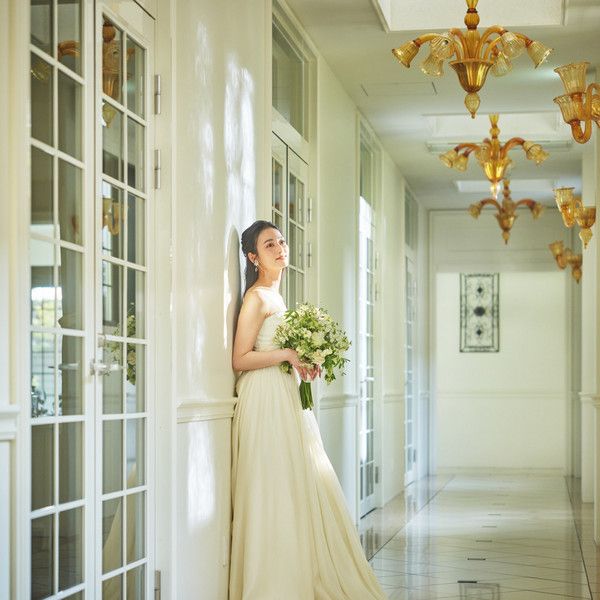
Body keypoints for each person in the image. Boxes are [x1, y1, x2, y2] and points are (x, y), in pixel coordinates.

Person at [229, 220, 387, 600]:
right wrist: (287, 354)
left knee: (296, 481)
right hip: (264, 399)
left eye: (281, 241)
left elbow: (278, 353)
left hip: (286, 394)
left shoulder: (278, 297)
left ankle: (299, 569)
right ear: (253, 257)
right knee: (271, 483)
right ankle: (271, 583)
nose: (280, 248)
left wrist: (302, 362)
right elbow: (240, 359)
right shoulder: (256, 298)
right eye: (269, 244)